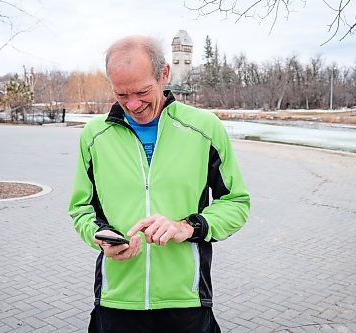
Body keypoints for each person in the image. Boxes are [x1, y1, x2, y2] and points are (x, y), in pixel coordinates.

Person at [68, 35, 250, 333]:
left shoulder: (205, 128)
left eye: (142, 91)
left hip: (186, 303)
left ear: (164, 74)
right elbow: (81, 208)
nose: (133, 104)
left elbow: (237, 203)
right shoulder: (93, 135)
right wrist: (98, 234)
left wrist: (187, 227)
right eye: (121, 95)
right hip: (116, 303)